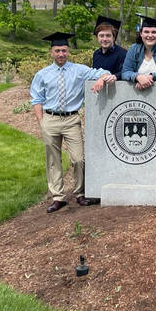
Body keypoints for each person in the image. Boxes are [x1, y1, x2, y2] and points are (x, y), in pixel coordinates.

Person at [31, 32, 116, 213]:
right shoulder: (42, 74)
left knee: (78, 159)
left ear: (68, 51)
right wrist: (42, 122)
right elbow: (36, 99)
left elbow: (104, 72)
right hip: (50, 119)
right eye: (57, 51)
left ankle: (80, 193)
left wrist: (101, 79)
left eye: (63, 50)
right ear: (51, 53)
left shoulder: (79, 70)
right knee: (53, 160)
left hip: (71, 119)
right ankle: (58, 197)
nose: (61, 54)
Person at [121, 15, 156, 90]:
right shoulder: (134, 49)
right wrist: (138, 77)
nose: (150, 35)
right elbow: (125, 72)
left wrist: (151, 77)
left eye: (154, 32)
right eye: (146, 32)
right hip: (138, 95)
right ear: (141, 34)